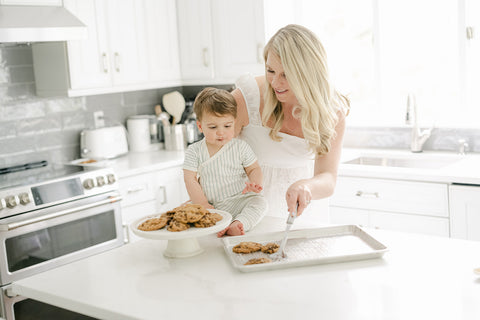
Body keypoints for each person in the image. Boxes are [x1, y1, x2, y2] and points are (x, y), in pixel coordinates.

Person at [232, 24, 350, 222]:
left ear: (309, 74)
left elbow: (328, 178)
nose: (275, 83)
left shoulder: (331, 112)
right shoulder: (246, 98)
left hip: (304, 216)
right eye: (271, 71)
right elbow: (214, 160)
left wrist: (306, 186)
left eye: (286, 75)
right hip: (247, 216)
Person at [183, 87, 267, 237]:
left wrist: (255, 183)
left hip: (239, 200)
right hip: (211, 205)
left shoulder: (240, 147)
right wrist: (202, 203)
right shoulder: (194, 150)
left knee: (260, 203)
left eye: (227, 126)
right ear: (200, 126)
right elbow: (190, 179)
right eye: (213, 127)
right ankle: (219, 224)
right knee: (187, 213)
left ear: (234, 123)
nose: (221, 132)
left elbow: (254, 168)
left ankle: (238, 223)